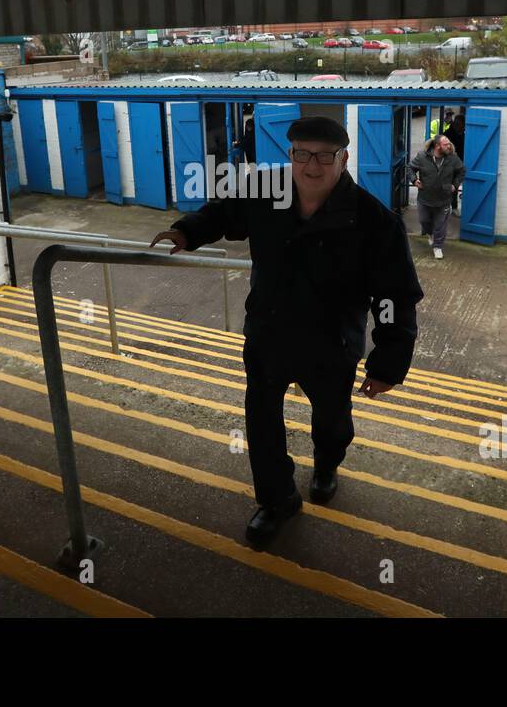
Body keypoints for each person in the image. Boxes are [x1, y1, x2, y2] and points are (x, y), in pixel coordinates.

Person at [151, 116, 423, 549]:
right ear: (290, 154)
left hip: (331, 345)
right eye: (301, 154)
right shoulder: (264, 191)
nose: (311, 165)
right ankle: (277, 501)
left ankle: (327, 464)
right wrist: (188, 231)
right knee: (261, 427)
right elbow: (223, 213)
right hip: (268, 337)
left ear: (344, 158)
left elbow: (394, 297)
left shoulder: (376, 222)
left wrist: (388, 363)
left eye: (324, 156)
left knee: (333, 424)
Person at [407, 135, 464, 259]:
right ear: (437, 146)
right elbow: (410, 168)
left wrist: (455, 184)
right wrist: (414, 180)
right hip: (424, 198)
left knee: (440, 225)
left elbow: (461, 171)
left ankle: (438, 246)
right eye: (446, 144)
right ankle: (430, 234)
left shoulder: (453, 158)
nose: (449, 146)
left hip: (444, 199)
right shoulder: (422, 157)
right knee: (424, 221)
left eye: (449, 143)